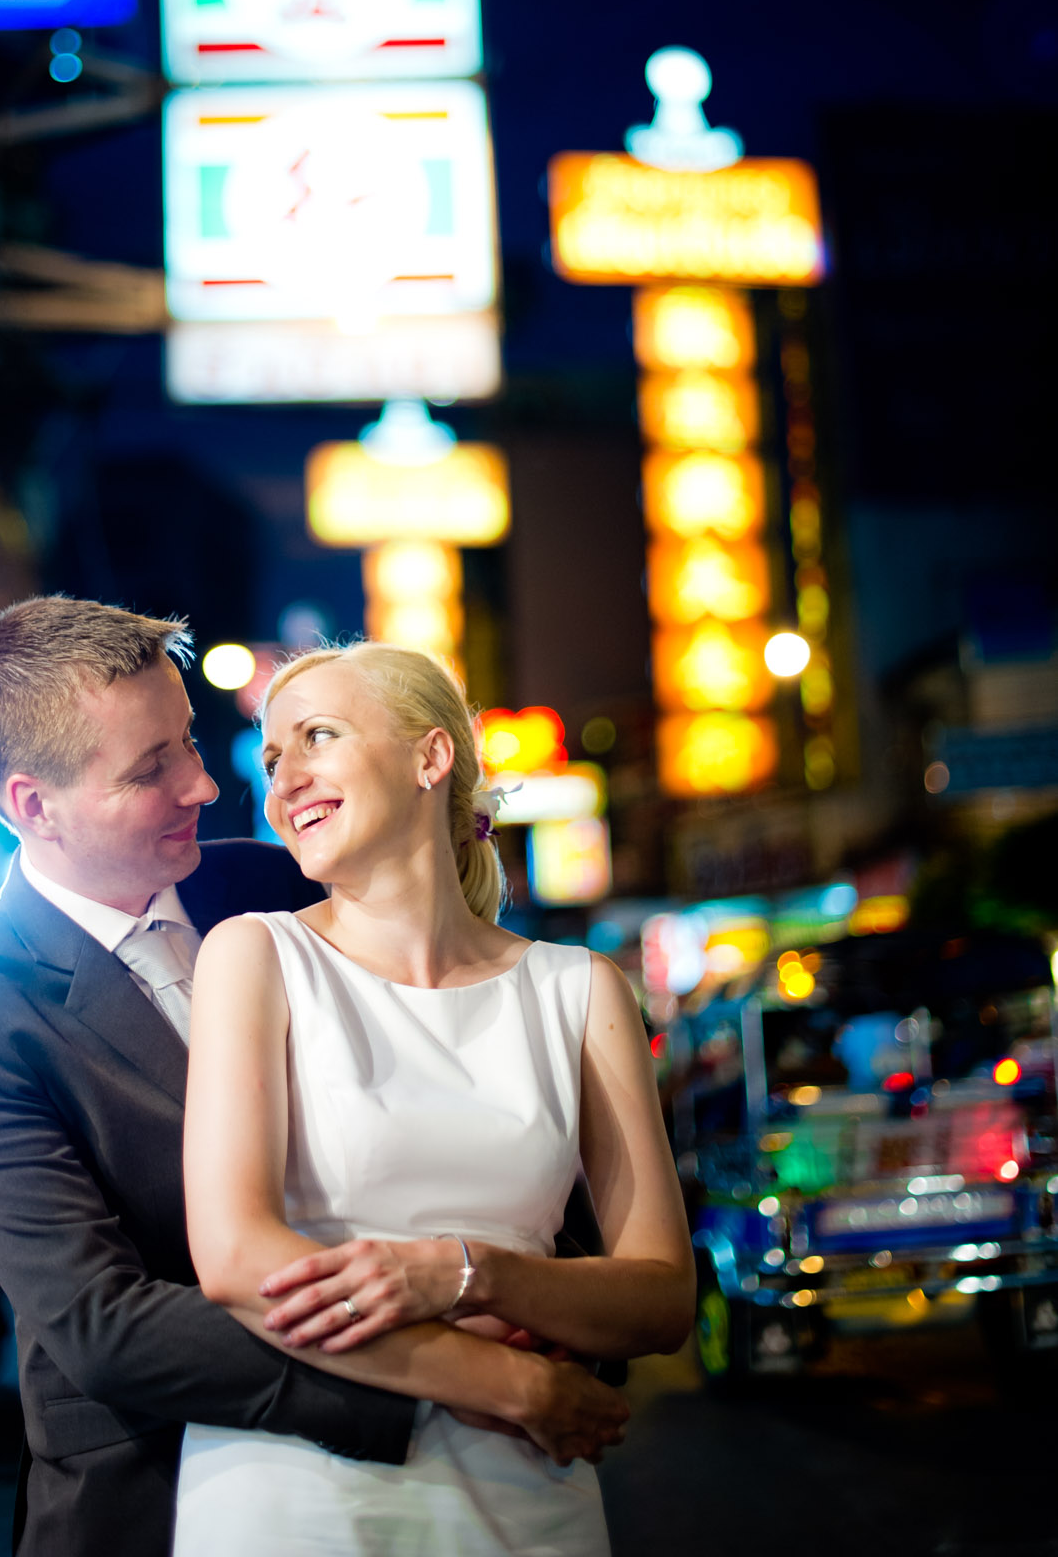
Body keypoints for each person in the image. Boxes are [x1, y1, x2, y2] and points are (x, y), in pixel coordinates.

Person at [0, 597, 630, 1557]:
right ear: (34, 805)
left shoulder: (275, 884)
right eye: (150, 769)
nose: (202, 785)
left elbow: (481, 1094)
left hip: (489, 1470)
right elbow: (102, 1323)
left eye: (189, 742)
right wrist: (465, 1376)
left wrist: (552, 1308)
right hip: (151, 1488)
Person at [178, 641, 697, 1555]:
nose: (283, 781)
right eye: (272, 758)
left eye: (317, 737)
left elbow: (661, 1299)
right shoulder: (254, 955)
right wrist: (507, 1376)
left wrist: (470, 1270)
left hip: (528, 1496)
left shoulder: (578, 989)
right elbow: (234, 1258)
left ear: (430, 756)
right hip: (298, 1494)